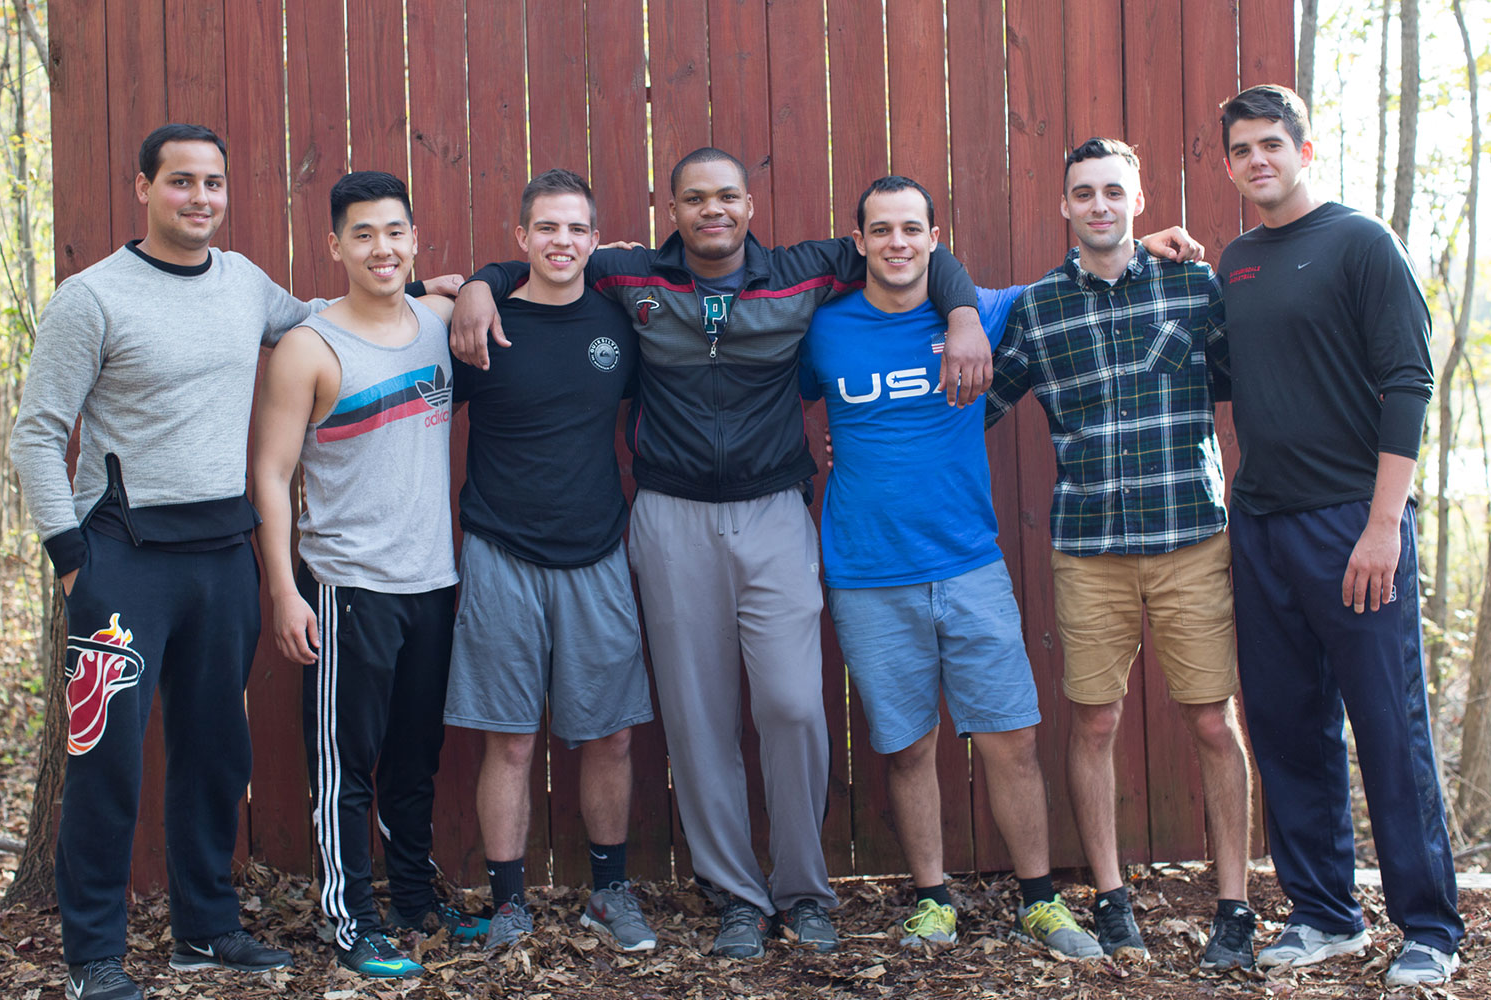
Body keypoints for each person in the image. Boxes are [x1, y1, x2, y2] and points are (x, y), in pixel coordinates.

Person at [449, 147, 998, 959]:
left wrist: (960, 316)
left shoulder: (804, 271)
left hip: (774, 513)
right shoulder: (628, 275)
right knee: (700, 720)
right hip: (670, 517)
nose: (713, 209)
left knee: (792, 706)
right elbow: (531, 258)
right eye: (695, 198)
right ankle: (737, 896)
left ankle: (805, 892)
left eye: (728, 196)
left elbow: (915, 248)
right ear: (671, 209)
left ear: (749, 205)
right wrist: (475, 286)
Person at [10, 123, 305, 1000]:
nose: (201, 198)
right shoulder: (91, 298)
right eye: (181, 182)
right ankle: (93, 955)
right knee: (107, 761)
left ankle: (205, 933)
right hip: (120, 565)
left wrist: (442, 290)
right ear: (145, 187)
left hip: (223, 560)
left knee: (217, 752)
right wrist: (74, 564)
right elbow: (34, 437)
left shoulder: (246, 283)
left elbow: (328, 321)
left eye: (213, 182)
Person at [798, 175, 1103, 959]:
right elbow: (767, 390)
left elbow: (1078, 280)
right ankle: (932, 900)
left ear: (936, 241)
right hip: (867, 572)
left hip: (969, 563)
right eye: (880, 230)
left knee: (1012, 738)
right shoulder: (824, 328)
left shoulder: (985, 310)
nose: (896, 242)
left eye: (912, 228)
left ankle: (1040, 900)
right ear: (858, 241)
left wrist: (1156, 244)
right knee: (907, 746)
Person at [983, 138, 1256, 970]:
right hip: (1091, 549)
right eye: (1083, 193)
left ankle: (1235, 908)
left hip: (1190, 541)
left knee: (1213, 720)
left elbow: (1265, 373)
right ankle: (1110, 899)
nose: (1098, 205)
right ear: (1064, 207)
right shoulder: (1037, 310)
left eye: (1113, 191)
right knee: (1094, 720)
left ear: (1137, 201)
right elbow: (973, 404)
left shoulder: (1193, 284)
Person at [1217, 84, 1463, 987]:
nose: (1257, 160)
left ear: (1306, 149)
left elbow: (1409, 384)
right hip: (1263, 523)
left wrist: (1384, 525)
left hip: (1354, 525)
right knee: (1287, 727)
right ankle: (1325, 913)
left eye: (1272, 143)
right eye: (1241, 149)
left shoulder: (1362, 244)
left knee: (1389, 730)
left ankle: (1430, 927)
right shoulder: (1235, 261)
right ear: (1230, 162)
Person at [252, 171, 487, 979]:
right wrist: (284, 589)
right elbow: (270, 476)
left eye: (394, 232)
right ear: (336, 246)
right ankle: (347, 921)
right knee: (345, 766)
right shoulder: (310, 347)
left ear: (415, 239)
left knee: (416, 758)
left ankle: (416, 901)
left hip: (432, 581)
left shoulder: (440, 320)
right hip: (347, 585)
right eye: (363, 234)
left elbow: (529, 280)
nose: (381, 248)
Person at [440, 169, 657, 953]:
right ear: (521, 237)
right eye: (547, 228)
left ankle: (609, 892)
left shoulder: (621, 324)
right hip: (500, 550)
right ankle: (508, 904)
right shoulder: (482, 326)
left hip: (597, 549)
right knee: (511, 739)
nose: (562, 241)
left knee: (611, 736)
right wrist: (471, 287)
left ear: (596, 242)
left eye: (577, 229)